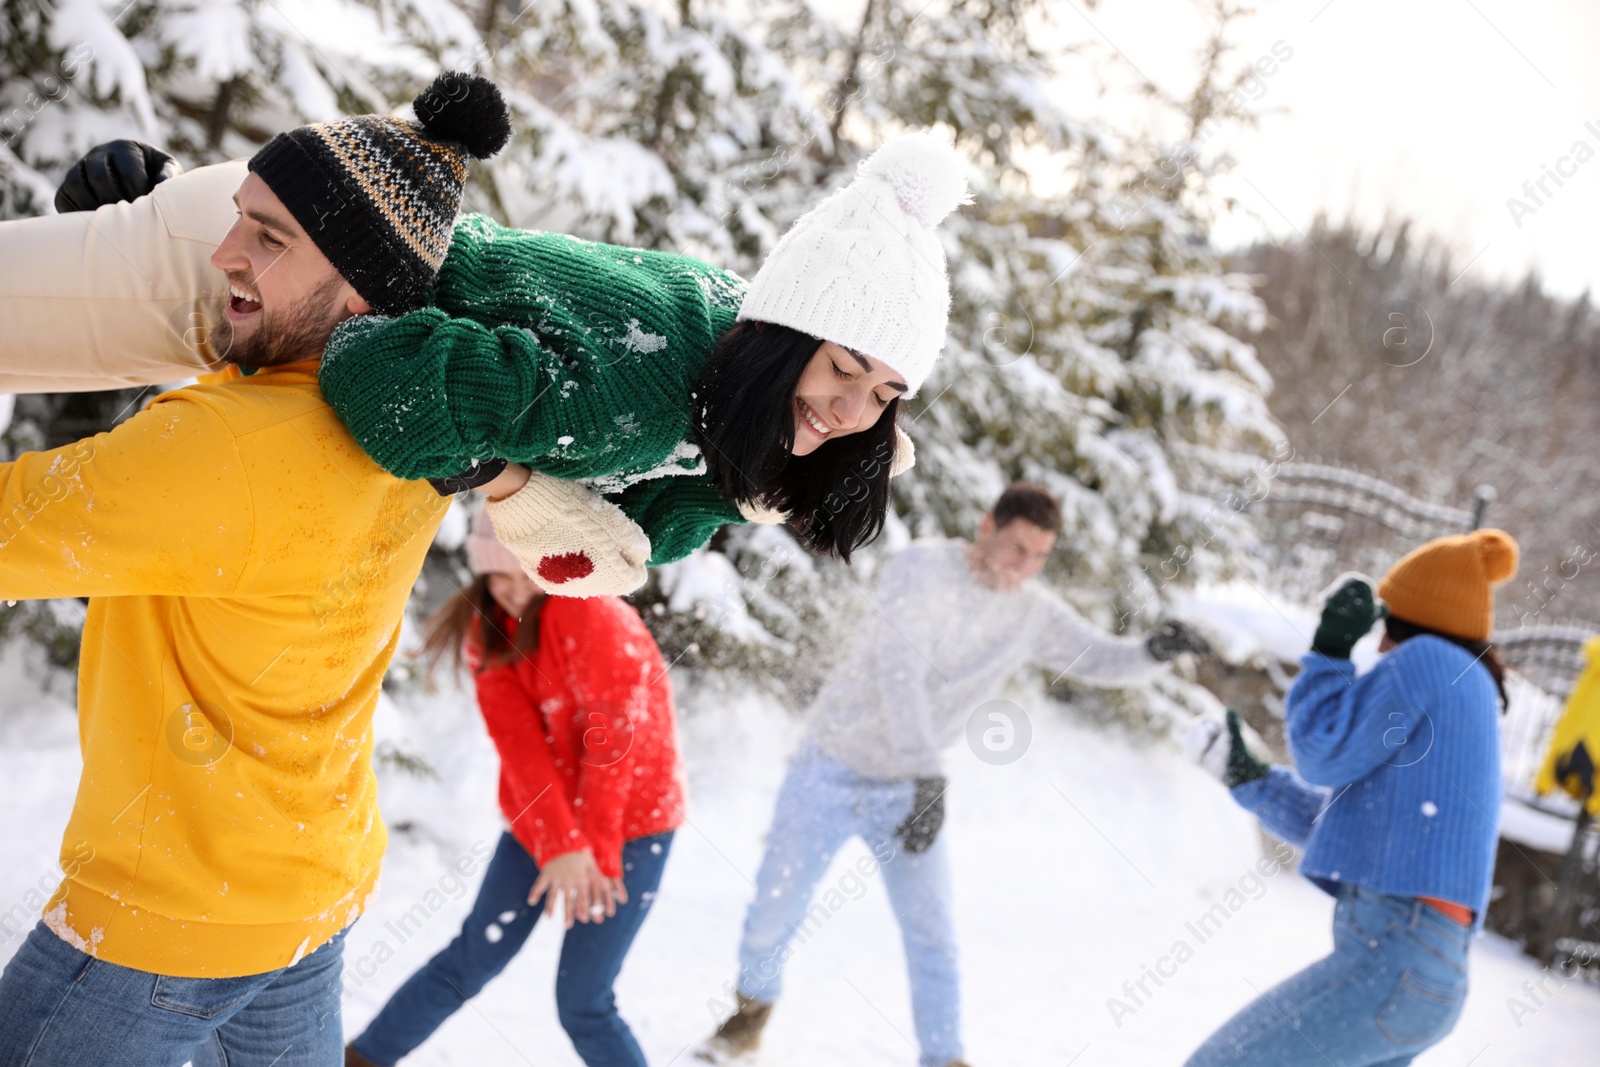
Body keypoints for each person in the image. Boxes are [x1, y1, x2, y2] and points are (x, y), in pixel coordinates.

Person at [0, 73, 511, 1066]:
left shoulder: (219, 449)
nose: (225, 254)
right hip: (308, 893)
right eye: (237, 219)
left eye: (269, 240)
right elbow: (249, 446)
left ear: (362, 284)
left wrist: (74, 301)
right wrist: (115, 252)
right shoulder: (416, 413)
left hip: (165, 924)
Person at [26, 131, 973, 596]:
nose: (856, 408)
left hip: (281, 254)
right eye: (845, 369)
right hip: (257, 278)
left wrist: (781, 463)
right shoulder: (633, 393)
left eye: (886, 393)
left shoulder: (730, 358)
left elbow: (634, 540)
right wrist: (497, 465)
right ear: (784, 338)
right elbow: (375, 376)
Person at [695, 483, 1212, 1067]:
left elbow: (1094, 657)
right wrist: (927, 775)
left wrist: (1153, 652)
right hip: (831, 768)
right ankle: (746, 1021)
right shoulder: (919, 571)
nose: (1026, 566)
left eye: (1040, 556)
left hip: (910, 788)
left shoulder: (1030, 611)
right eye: (1018, 548)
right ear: (987, 527)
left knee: (933, 933)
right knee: (776, 907)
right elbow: (900, 674)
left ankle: (945, 1058)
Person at [345, 510, 681, 1067]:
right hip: (542, 819)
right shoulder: (489, 628)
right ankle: (363, 1060)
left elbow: (612, 746)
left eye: (529, 572)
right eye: (501, 577)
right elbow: (521, 750)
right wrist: (559, 844)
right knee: (470, 959)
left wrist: (589, 850)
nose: (517, 588)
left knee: (583, 1002)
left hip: (629, 827)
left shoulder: (591, 614)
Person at [1183, 528, 1519, 1067]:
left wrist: (1329, 650)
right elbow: (1354, 832)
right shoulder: (1463, 688)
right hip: (1424, 974)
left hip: (1395, 957)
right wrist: (1253, 779)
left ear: (1414, 621)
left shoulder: (1429, 660)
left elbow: (1321, 754)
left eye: (1387, 625)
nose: (1380, 644)